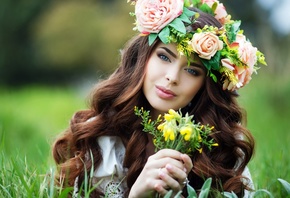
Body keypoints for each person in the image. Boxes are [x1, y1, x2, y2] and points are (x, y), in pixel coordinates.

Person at [52, 0, 266, 197]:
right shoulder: (103, 138)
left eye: (192, 71)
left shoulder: (223, 150)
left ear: (205, 86)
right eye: (164, 56)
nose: (172, 77)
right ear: (143, 58)